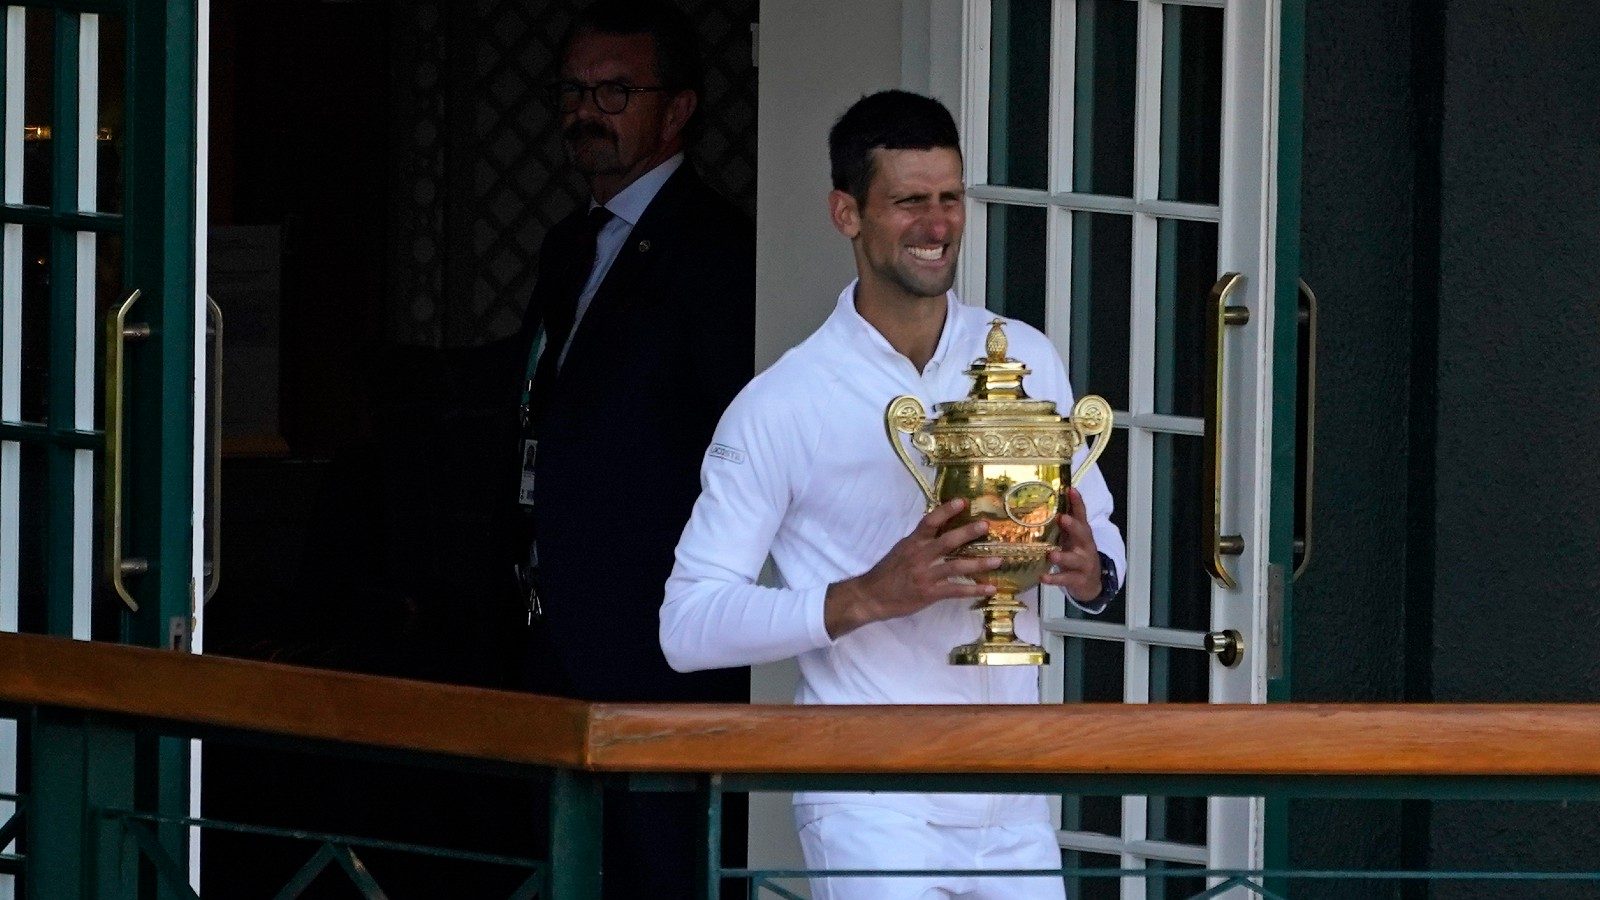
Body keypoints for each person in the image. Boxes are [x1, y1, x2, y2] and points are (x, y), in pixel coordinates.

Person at [660, 90, 1126, 900]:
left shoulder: (1025, 356)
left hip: (1014, 784)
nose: (937, 224)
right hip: (869, 791)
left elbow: (1107, 539)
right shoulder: (782, 403)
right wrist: (867, 596)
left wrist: (1091, 573)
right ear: (848, 213)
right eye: (910, 201)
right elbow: (687, 625)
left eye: (950, 198)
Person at [509, 0, 753, 894]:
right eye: (574, 90)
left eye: (615, 91)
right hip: (555, 631)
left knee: (661, 870)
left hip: (660, 644)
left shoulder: (720, 253)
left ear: (677, 109)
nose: (586, 111)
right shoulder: (569, 243)